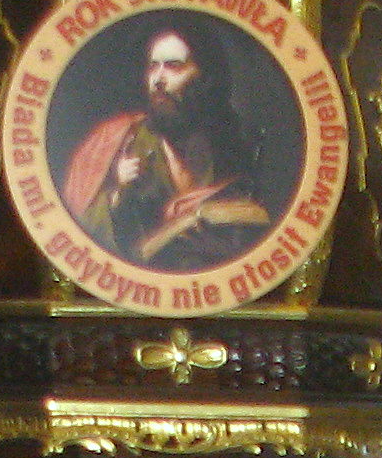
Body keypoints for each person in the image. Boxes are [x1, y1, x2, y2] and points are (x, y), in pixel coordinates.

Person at [63, 22, 274, 271]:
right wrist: (117, 193)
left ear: (205, 77)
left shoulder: (232, 144)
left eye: (174, 66)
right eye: (153, 66)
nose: (158, 80)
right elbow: (81, 231)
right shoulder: (115, 140)